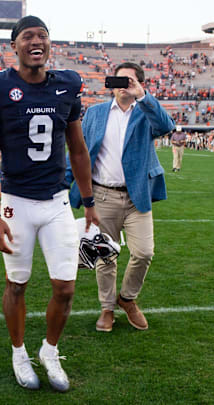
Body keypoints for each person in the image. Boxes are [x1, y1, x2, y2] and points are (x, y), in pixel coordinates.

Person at [0, 15, 98, 393]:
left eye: (42, 36)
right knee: (17, 284)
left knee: (66, 288)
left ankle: (49, 350)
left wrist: (89, 202)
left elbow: (77, 149)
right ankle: (18, 352)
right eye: (28, 36)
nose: (36, 42)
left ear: (49, 44)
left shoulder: (67, 85)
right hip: (16, 203)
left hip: (58, 201)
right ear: (14, 45)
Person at [67, 62, 174, 333]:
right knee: (105, 257)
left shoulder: (145, 113)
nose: (123, 84)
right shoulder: (96, 113)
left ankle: (127, 299)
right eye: (119, 79)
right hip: (102, 195)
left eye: (129, 80)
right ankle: (106, 309)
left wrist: (142, 95)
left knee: (144, 252)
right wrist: (66, 181)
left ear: (138, 83)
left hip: (137, 196)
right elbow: (80, 150)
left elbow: (165, 126)